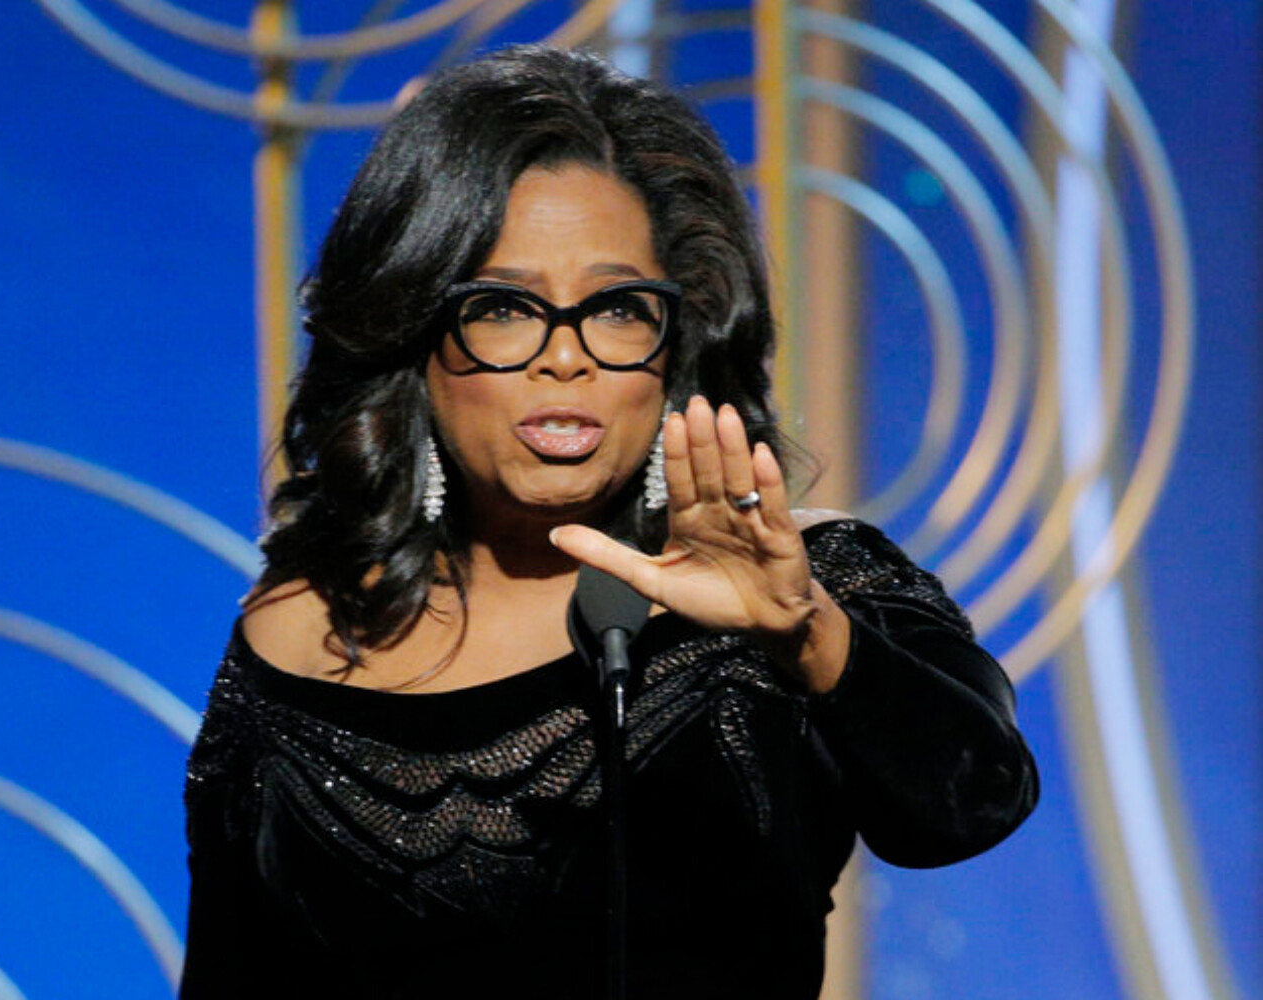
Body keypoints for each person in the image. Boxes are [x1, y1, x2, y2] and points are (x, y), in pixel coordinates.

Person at [179, 45, 1037, 1000]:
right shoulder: (305, 627)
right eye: (504, 307)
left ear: (677, 345)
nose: (566, 357)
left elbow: (971, 803)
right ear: (412, 339)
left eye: (619, 308)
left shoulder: (806, 582)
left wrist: (807, 634)